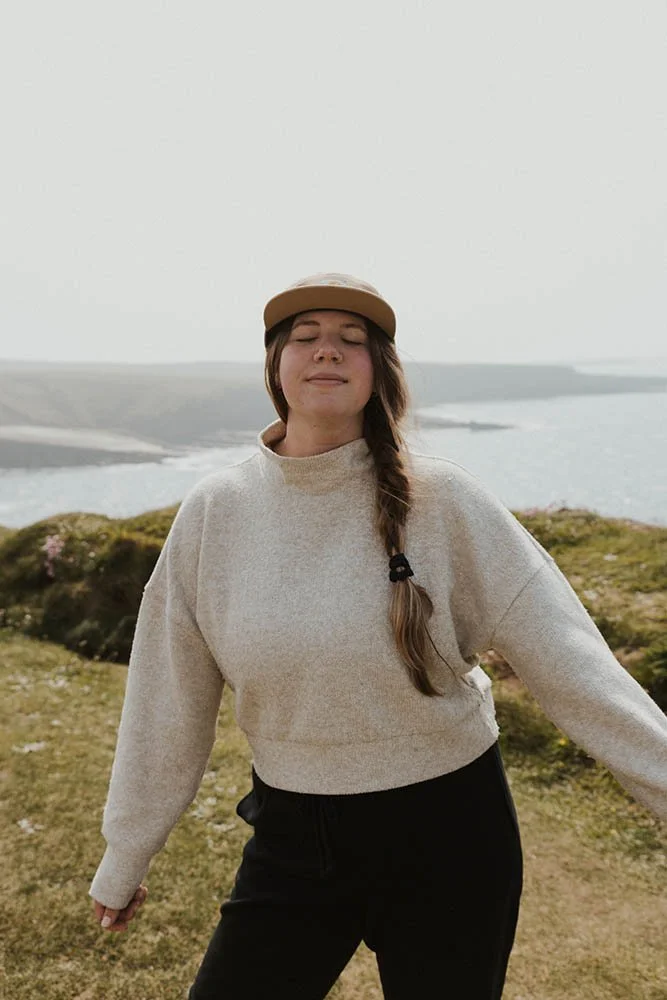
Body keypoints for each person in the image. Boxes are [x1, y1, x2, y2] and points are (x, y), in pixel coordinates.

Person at [90, 273, 667, 999]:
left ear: (378, 372)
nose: (326, 352)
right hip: (293, 837)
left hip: (450, 832)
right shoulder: (216, 513)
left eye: (351, 341)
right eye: (304, 337)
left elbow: (570, 662)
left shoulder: (445, 500)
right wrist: (126, 853)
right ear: (276, 366)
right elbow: (165, 697)